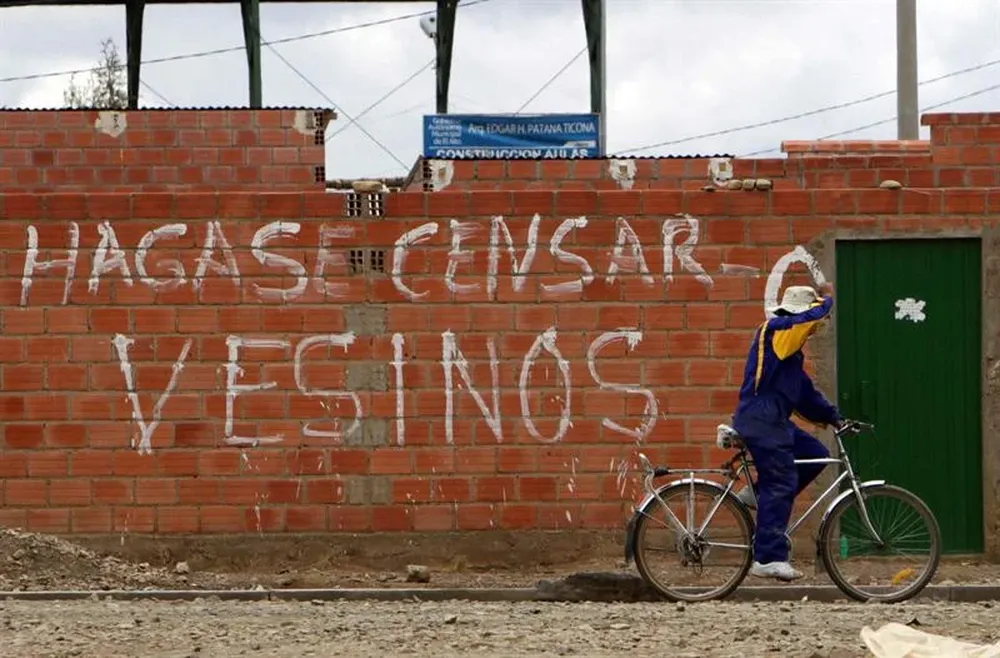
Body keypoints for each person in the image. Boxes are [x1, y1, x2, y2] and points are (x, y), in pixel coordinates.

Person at [730, 283, 842, 581]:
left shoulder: (789, 354)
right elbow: (806, 319)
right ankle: (768, 557)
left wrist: (834, 417)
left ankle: (757, 493)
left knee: (816, 454)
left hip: (773, 422)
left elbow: (804, 394)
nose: (815, 329)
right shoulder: (778, 331)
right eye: (813, 324)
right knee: (781, 481)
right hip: (762, 421)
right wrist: (827, 300)